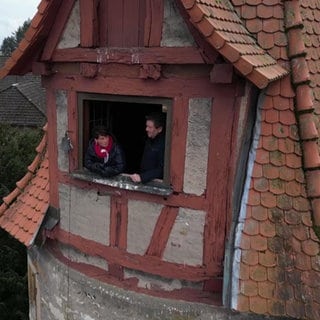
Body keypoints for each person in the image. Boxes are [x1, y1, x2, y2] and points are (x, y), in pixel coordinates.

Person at [129, 112, 165, 183]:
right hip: (143, 178)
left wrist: (142, 177)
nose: (146, 129)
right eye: (146, 126)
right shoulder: (149, 139)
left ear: (159, 129)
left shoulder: (163, 145)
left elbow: (161, 169)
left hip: (155, 183)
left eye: (150, 127)